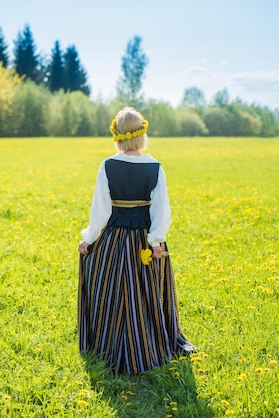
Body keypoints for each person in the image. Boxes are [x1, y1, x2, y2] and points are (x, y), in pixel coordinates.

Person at [77, 107, 194, 375]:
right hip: (144, 241)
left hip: (114, 241)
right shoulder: (155, 167)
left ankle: (109, 342)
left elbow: (101, 211)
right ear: (143, 134)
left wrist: (88, 240)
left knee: (113, 289)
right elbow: (161, 211)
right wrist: (155, 243)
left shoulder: (108, 165)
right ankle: (148, 341)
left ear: (116, 135)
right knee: (147, 292)